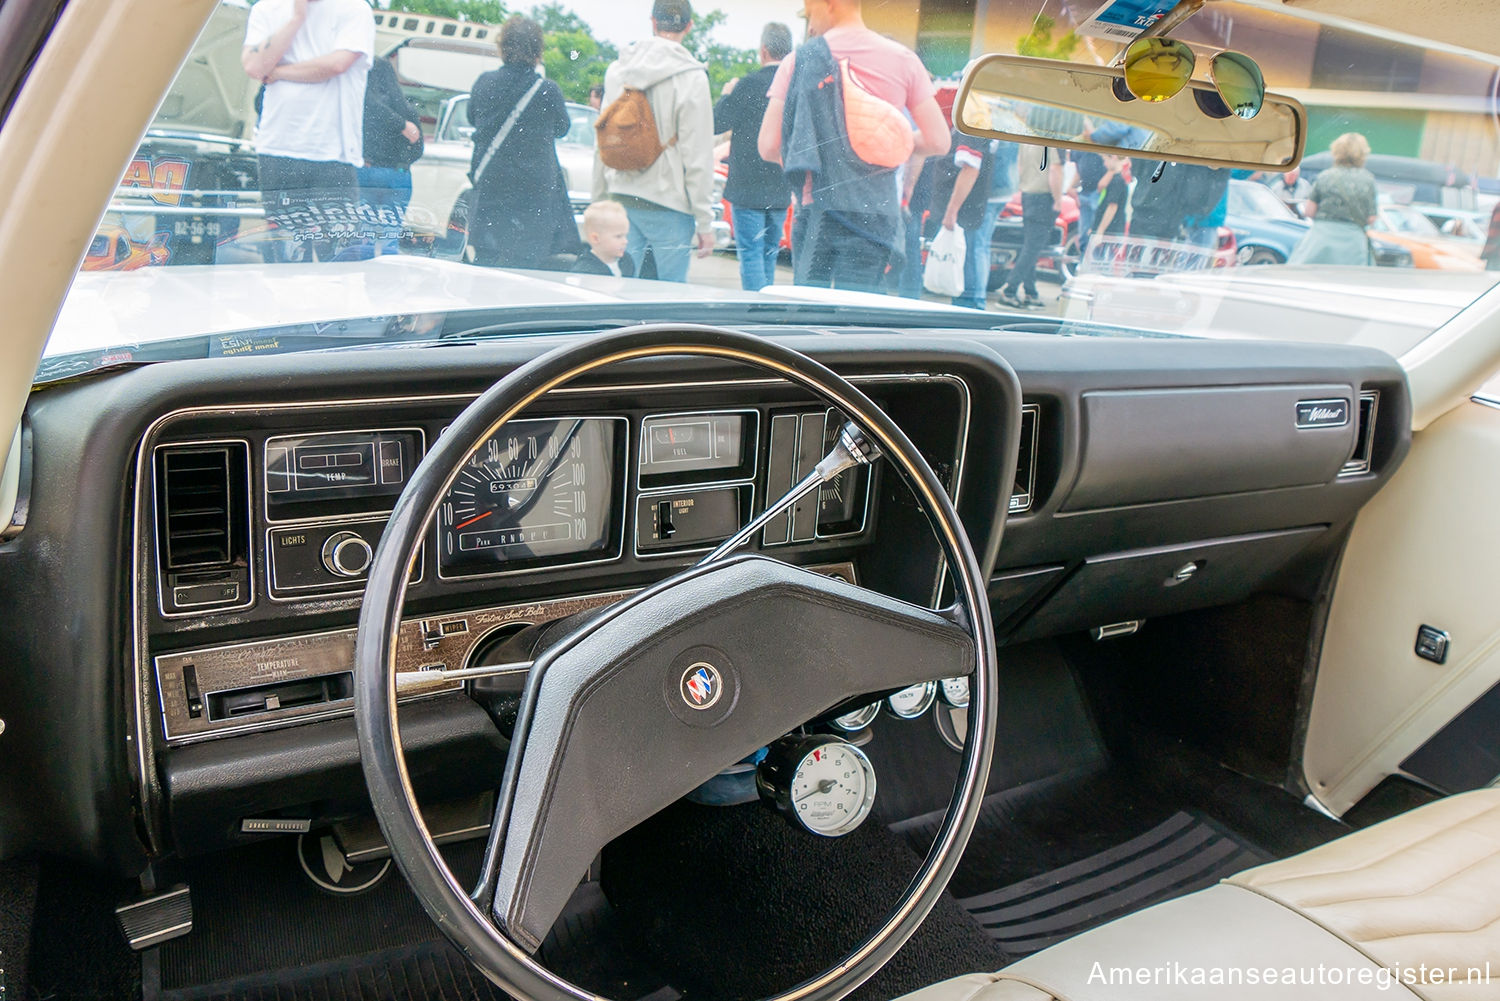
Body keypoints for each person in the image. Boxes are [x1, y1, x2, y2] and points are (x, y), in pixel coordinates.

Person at [758, 0, 950, 294]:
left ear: (829, 4)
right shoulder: (904, 60)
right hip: (876, 215)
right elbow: (939, 140)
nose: (810, 26)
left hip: (817, 211)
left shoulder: (798, 61)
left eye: (811, 14)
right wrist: (884, 140)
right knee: (859, 322)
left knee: (810, 318)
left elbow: (768, 146)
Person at [241, 0, 375, 262]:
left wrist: (278, 72)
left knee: (337, 259)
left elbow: (337, 64)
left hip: (332, 152)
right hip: (276, 149)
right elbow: (255, 67)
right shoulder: (266, 9)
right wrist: (296, 18)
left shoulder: (354, 8)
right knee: (284, 257)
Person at [592, 0, 716, 283]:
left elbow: (602, 138)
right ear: (689, 26)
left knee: (620, 289)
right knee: (670, 298)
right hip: (669, 202)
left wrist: (598, 200)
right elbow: (697, 155)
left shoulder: (618, 70)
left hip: (620, 193)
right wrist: (704, 221)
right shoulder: (692, 77)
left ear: (652, 21)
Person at [467, 15, 574, 269]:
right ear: (537, 51)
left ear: (502, 47)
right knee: (526, 267)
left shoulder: (484, 83)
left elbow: (473, 117)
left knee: (486, 262)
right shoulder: (547, 90)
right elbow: (562, 128)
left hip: (492, 187)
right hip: (533, 195)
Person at [712, 24, 793, 291]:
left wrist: (726, 95)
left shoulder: (748, 84)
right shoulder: (794, 88)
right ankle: (767, 303)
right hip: (781, 185)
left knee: (750, 252)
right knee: (769, 252)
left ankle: (756, 306)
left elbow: (716, 123)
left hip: (746, 186)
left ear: (763, 50)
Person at [356, 52, 423, 257]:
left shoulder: (360, 110)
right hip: (398, 175)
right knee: (390, 238)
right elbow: (418, 149)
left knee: (362, 234)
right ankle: (387, 284)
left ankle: (360, 276)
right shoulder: (407, 111)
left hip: (366, 171)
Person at [1288, 133, 1378, 266]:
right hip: (1353, 244)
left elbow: (1309, 212)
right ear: (1363, 154)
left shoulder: (1325, 176)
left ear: (1336, 151)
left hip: (1320, 239)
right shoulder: (1368, 180)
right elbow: (1371, 219)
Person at [931, 130, 996, 310]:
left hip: (968, 205)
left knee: (970, 253)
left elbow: (971, 167)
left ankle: (970, 307)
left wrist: (951, 211)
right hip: (980, 200)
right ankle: (971, 304)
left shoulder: (973, 116)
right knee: (977, 250)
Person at [997, 144, 1063, 309]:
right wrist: (1058, 199)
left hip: (1028, 195)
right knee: (1033, 249)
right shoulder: (1054, 141)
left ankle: (1030, 292)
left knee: (1030, 247)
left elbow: (1019, 166)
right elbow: (1055, 170)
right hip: (1044, 198)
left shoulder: (1027, 140)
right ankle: (1010, 290)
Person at [572, 201, 637, 277]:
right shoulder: (584, 270)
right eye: (618, 236)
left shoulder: (626, 260)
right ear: (595, 239)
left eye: (625, 235)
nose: (625, 241)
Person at [1094, 154, 1130, 237]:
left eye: (1105, 160)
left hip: (1111, 230)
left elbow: (1112, 207)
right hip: (1108, 229)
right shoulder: (1113, 178)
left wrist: (1100, 232)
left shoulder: (1117, 181)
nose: (1104, 164)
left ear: (1114, 157)